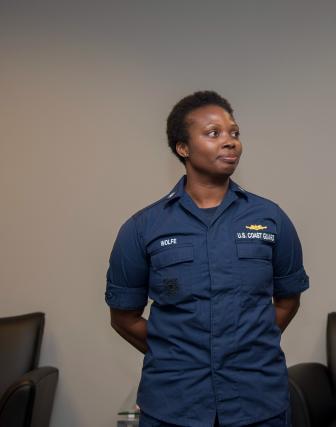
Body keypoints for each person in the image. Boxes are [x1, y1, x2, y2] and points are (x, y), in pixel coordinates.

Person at [105, 91, 309, 427]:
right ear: (183, 148)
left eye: (234, 133)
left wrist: (249, 345)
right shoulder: (143, 227)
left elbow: (288, 301)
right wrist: (175, 354)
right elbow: (123, 317)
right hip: (174, 404)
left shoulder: (271, 218)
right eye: (214, 133)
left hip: (258, 403)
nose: (230, 142)